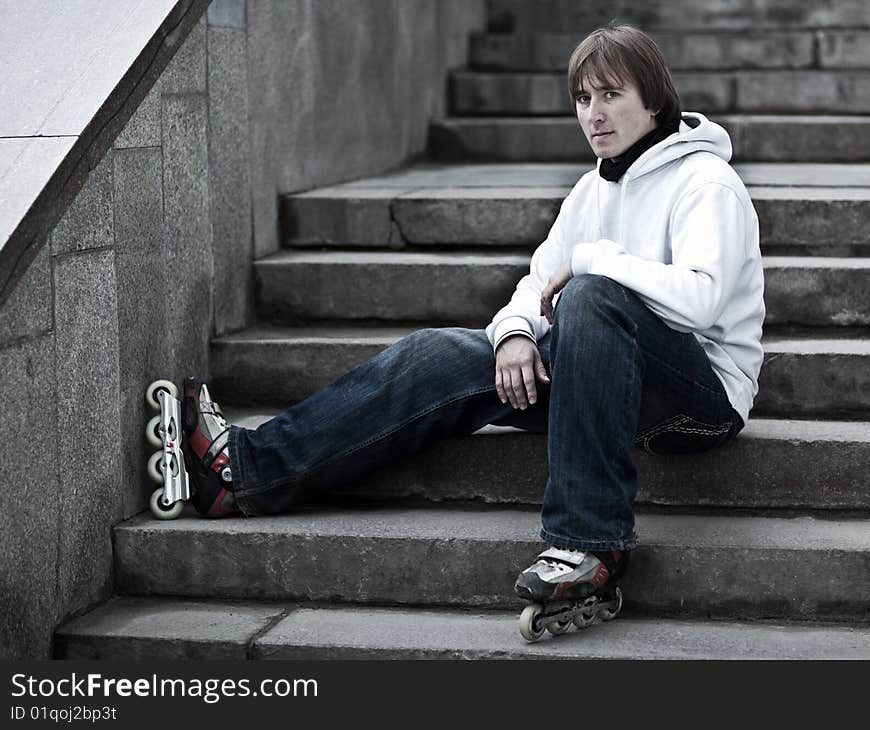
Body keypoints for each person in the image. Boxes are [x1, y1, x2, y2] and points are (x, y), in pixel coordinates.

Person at [180, 24, 764, 609]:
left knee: (590, 294)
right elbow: (537, 283)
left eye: (611, 95)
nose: (594, 115)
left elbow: (700, 299)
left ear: (655, 100)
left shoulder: (706, 182)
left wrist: (596, 262)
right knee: (439, 353)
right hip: (600, 374)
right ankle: (245, 472)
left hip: (699, 400)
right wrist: (513, 334)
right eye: (583, 99)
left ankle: (590, 545)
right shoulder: (592, 191)